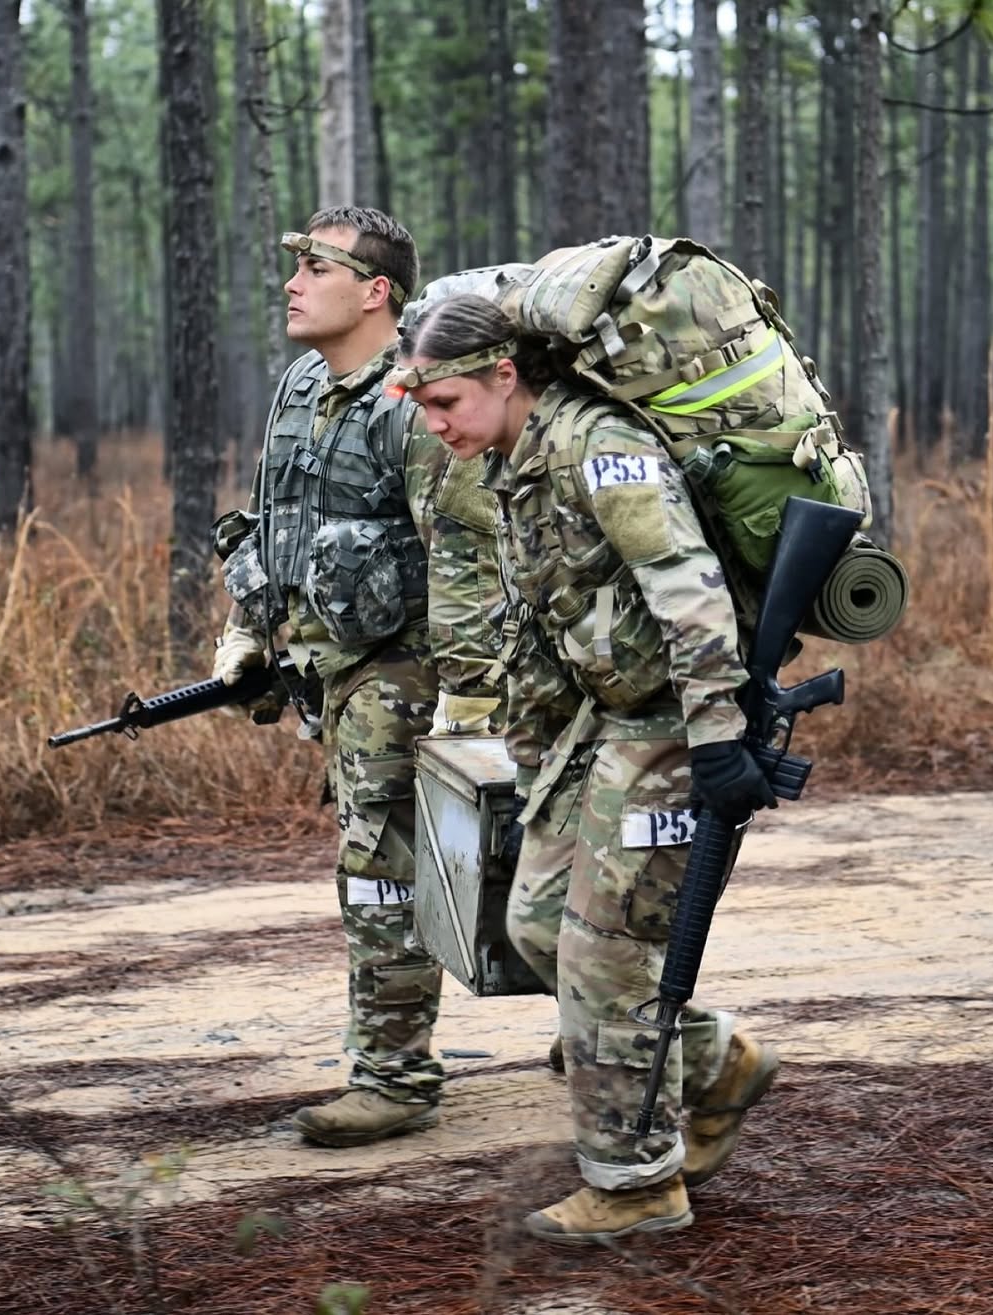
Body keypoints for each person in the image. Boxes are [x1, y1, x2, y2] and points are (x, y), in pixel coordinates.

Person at [389, 293, 781, 1244]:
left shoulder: (597, 446)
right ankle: (717, 1061)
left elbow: (686, 591)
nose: (436, 426)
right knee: (531, 926)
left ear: (503, 375)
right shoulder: (515, 460)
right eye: (424, 408)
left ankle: (636, 1181)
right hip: (601, 727)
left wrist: (721, 737)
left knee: (606, 957)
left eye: (446, 402)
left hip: (670, 729)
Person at [211, 211, 504, 1148]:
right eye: (294, 262)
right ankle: (594, 1018)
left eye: (317, 265)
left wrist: (465, 692)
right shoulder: (302, 383)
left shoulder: (411, 403)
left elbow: (463, 551)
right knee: (464, 861)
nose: (294, 280)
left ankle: (395, 1076)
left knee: (379, 865)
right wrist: (248, 632)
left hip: (405, 666)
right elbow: (279, 519)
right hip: (329, 660)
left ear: (376, 290)